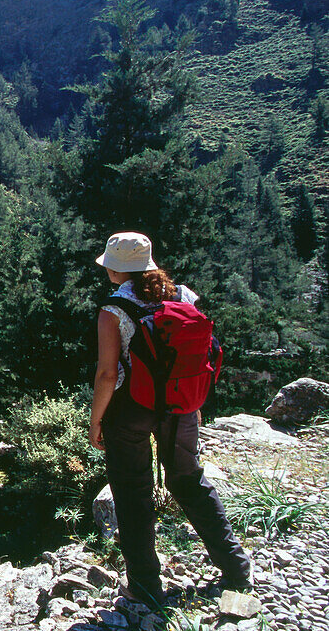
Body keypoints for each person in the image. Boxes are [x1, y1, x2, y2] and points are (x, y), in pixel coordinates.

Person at [89, 232, 251, 607]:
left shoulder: (113, 310)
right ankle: (236, 568)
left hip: (132, 407)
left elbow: (107, 375)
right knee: (190, 481)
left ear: (117, 269)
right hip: (180, 405)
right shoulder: (185, 295)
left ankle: (146, 585)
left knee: (132, 491)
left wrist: (96, 420)